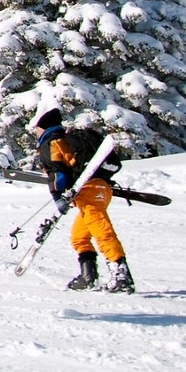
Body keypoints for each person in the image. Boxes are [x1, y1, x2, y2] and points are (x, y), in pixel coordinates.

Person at [34, 107, 133, 293]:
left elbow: (58, 175)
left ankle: (121, 274)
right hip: (103, 189)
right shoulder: (73, 139)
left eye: (37, 129)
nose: (36, 133)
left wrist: (57, 197)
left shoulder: (51, 142)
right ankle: (88, 277)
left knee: (102, 232)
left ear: (43, 128)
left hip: (88, 192)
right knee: (79, 237)